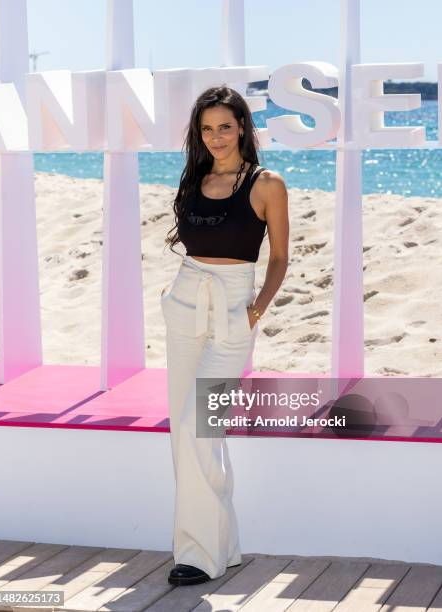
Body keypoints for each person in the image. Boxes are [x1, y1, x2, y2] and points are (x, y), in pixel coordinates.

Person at [161, 85, 289, 586]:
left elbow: (278, 257)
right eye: (207, 128)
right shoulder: (194, 178)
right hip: (184, 307)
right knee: (187, 434)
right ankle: (221, 546)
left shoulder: (266, 184)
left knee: (201, 429)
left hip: (234, 313)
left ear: (242, 128)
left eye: (225, 126)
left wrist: (256, 309)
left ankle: (198, 555)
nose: (216, 137)